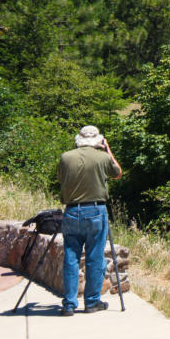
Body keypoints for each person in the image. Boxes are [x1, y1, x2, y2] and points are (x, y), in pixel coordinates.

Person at [58, 125, 122, 316]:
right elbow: (117, 173)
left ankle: (69, 304)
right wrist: (107, 149)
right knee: (94, 257)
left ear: (79, 139)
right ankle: (91, 302)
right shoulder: (103, 158)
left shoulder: (66, 157)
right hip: (95, 210)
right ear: (98, 140)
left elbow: (61, 179)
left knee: (71, 257)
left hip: (71, 210)